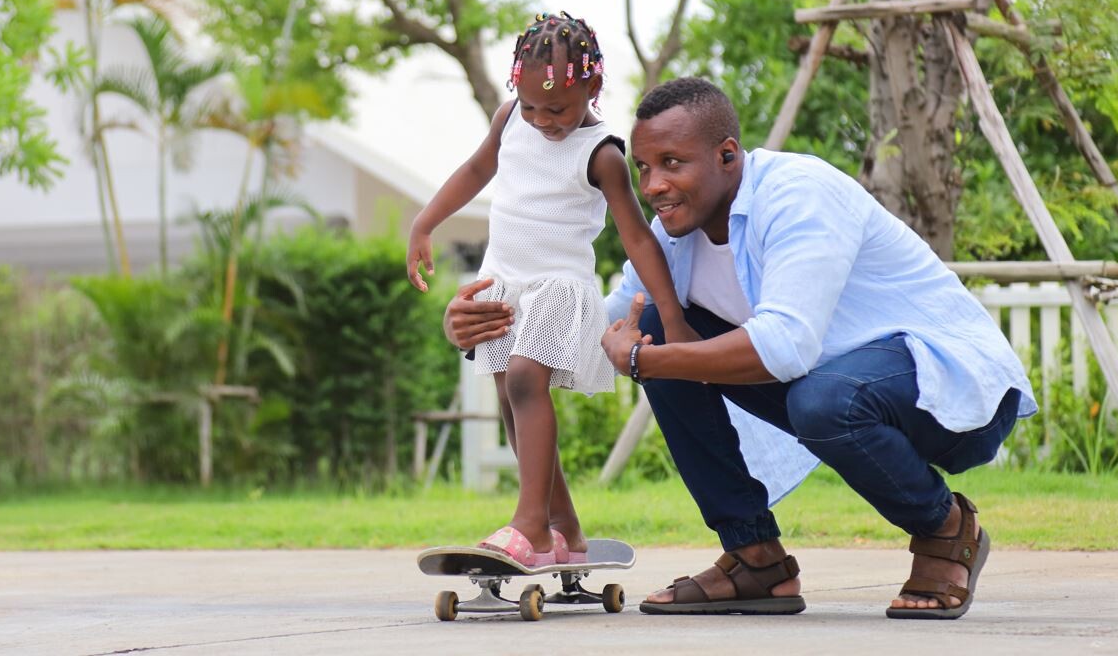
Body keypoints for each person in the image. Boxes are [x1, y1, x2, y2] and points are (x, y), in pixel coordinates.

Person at [444, 76, 1036, 618]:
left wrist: (645, 358)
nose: (653, 187)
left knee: (802, 394)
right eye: (644, 168)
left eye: (672, 164)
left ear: (728, 155)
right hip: (835, 390)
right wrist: (491, 331)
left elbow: (786, 347)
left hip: (952, 395)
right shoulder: (671, 238)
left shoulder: (799, 194)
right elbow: (598, 337)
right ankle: (756, 559)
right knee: (658, 326)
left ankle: (946, 529)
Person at [407, 12, 689, 569]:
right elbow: (475, 169)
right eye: (531, 105)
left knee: (524, 381)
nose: (542, 120)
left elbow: (636, 236)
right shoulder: (510, 118)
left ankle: (530, 526)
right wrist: (424, 223)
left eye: (556, 108)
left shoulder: (602, 153)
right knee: (512, 404)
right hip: (505, 280)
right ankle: (566, 529)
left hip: (560, 287)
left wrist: (671, 315)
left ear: (593, 87)